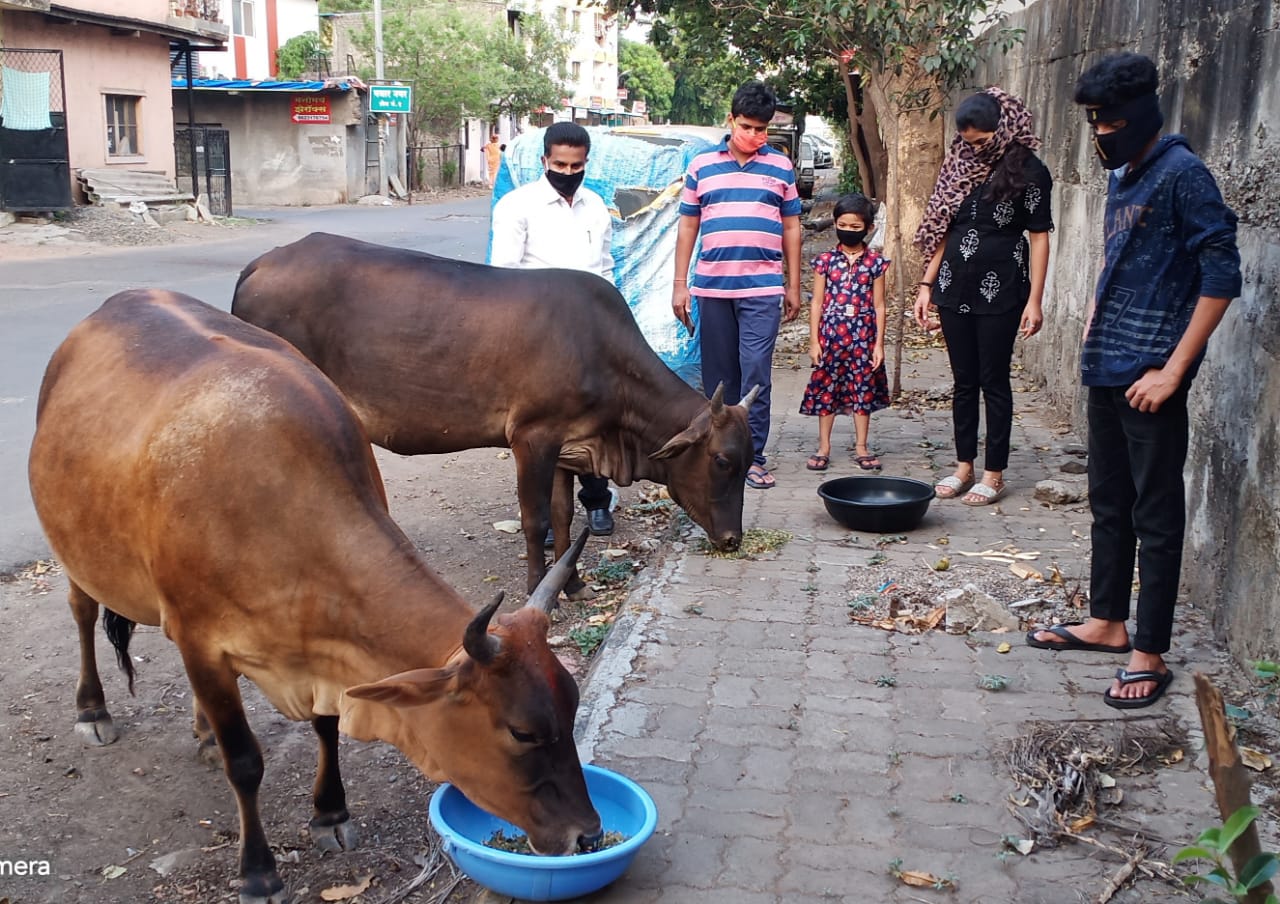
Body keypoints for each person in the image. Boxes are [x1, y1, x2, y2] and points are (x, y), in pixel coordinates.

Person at [1026, 53, 1241, 709]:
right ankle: (1107, 621)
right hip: (1106, 367)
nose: (1100, 136)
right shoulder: (1125, 174)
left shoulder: (1184, 175)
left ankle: (1149, 650)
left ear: (1144, 114)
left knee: (1156, 516)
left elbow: (1223, 275)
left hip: (1152, 377)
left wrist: (1173, 370)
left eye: (1111, 123)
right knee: (1109, 506)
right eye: (1092, 124)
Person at [912, 88, 1053, 506]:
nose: (974, 149)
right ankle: (963, 467)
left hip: (1003, 286)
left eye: (981, 141)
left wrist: (1036, 300)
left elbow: (1040, 236)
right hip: (955, 283)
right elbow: (945, 230)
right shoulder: (960, 163)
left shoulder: (1031, 170)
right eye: (968, 141)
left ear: (1004, 129)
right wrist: (926, 286)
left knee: (994, 381)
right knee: (962, 382)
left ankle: (994, 473)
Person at [672, 80, 803, 490]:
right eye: (747, 127)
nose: (755, 136)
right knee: (718, 380)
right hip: (712, 288)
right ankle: (718, 455)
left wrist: (793, 285)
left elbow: (792, 226)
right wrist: (680, 285)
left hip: (762, 290)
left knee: (755, 376)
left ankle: (753, 457)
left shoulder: (780, 166)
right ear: (731, 120)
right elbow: (688, 225)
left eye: (762, 129)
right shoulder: (701, 166)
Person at [489, 121, 617, 537]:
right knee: (540, 433)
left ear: (585, 163)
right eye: (559, 164)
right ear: (545, 161)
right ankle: (539, 519)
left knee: (593, 423)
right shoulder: (516, 206)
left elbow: (606, 270)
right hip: (536, 339)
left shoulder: (596, 207)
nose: (567, 172)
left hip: (589, 334)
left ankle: (597, 501)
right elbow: (504, 277)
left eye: (575, 165)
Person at [799, 193, 890, 472]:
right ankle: (823, 446)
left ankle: (862, 446)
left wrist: (878, 345)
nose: (848, 231)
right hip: (830, 339)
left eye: (855, 227)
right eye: (843, 225)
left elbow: (879, 305)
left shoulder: (876, 263)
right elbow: (816, 302)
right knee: (827, 389)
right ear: (835, 224)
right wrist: (814, 341)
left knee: (862, 390)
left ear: (868, 228)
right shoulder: (825, 261)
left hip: (863, 338)